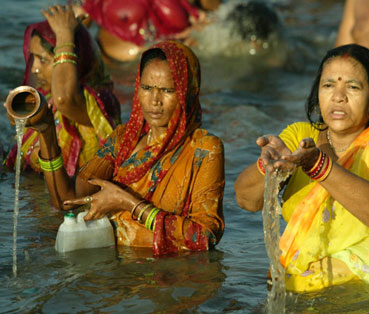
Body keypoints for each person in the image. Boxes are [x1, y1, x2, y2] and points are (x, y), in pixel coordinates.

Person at [234, 44, 369, 292]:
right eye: (328, 85)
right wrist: (270, 165)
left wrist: (318, 166)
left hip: (366, 294)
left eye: (353, 87)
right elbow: (245, 200)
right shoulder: (300, 135)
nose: (338, 96)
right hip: (294, 288)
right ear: (317, 94)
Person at [10, 40, 225, 255]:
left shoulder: (203, 149)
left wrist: (127, 202)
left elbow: (204, 238)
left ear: (188, 92)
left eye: (167, 90)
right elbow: (68, 200)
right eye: (147, 88)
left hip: (168, 276)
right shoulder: (124, 139)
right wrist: (47, 133)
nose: (155, 101)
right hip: (116, 276)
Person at [5, 5, 121, 177]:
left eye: (43, 60)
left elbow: (65, 99)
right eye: (33, 58)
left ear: (73, 60)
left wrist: (65, 35)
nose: (35, 69)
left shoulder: (97, 101)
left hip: (74, 200)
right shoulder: (46, 99)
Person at [75, 0, 216, 62]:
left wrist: (199, 30)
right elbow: (72, 28)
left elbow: (216, 20)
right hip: (122, 71)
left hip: (179, 65)